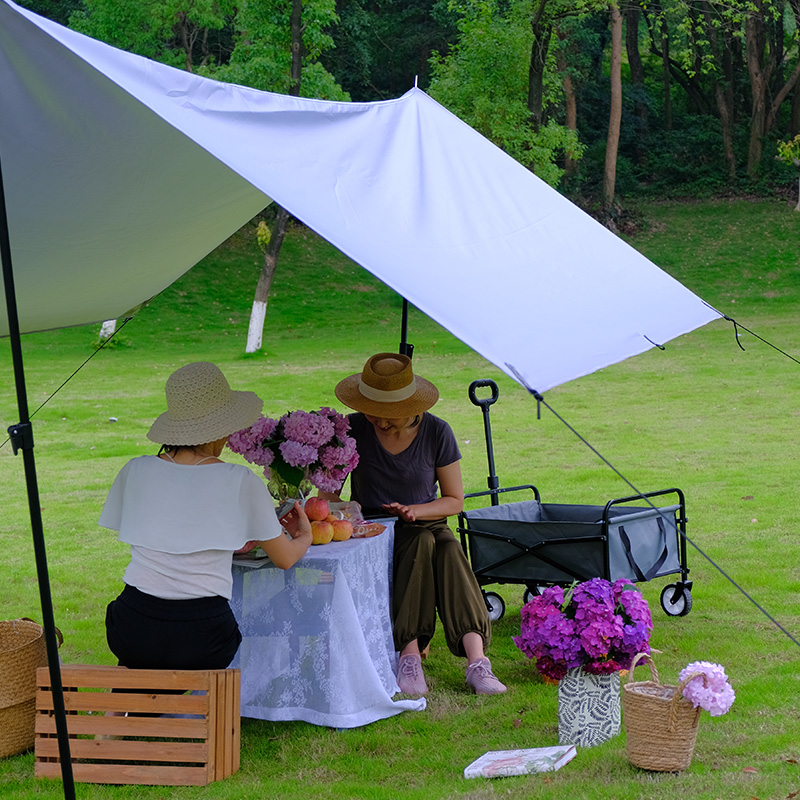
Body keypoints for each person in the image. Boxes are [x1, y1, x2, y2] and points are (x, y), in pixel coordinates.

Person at [99, 361, 312, 671]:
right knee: (190, 648)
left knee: (144, 651)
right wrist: (304, 535)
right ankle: (140, 709)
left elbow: (166, 530)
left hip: (132, 626)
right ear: (221, 429)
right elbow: (284, 558)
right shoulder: (240, 480)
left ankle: (124, 709)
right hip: (203, 635)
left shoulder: (136, 470)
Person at [330, 352, 506, 696]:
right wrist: (350, 511)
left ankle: (477, 661)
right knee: (422, 545)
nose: (379, 421)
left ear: (411, 406)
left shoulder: (437, 431)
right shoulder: (351, 430)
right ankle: (408, 655)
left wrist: (414, 510)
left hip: (427, 521)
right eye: (372, 411)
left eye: (388, 415)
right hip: (374, 532)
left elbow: (454, 500)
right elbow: (329, 498)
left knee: (449, 547)